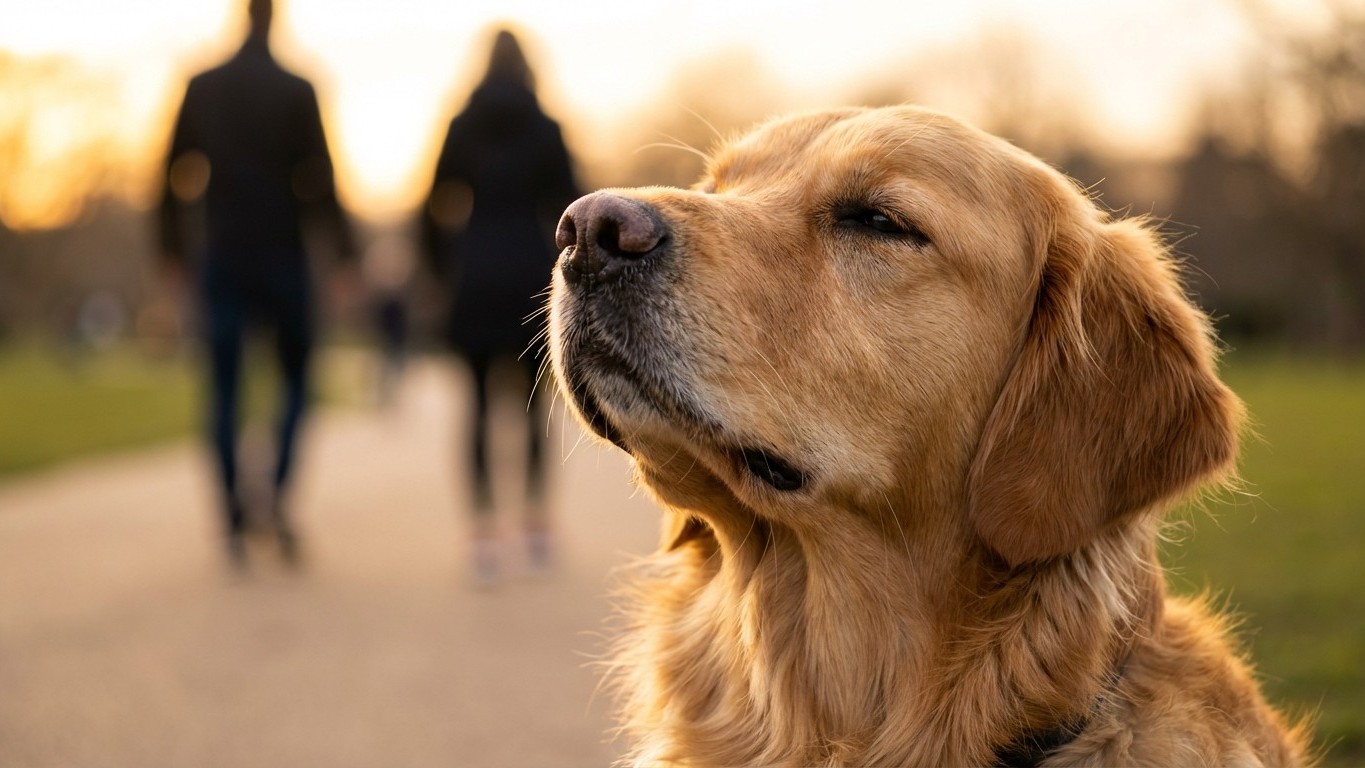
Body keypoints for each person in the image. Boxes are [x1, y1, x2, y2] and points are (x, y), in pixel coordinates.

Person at [158, 0, 355, 566]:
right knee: (296, 380)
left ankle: (232, 516)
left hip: (222, 253)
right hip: (282, 255)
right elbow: (320, 178)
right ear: (276, 20)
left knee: (223, 388)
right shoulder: (297, 89)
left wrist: (172, 249)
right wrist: (341, 257)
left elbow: (169, 170)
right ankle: (275, 489)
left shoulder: (203, 85)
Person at [421, 28, 579, 586]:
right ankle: (535, 525)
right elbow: (570, 204)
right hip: (531, 275)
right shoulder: (546, 127)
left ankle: (484, 535)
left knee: (477, 409)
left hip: (475, 273)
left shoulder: (462, 125)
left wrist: (442, 268)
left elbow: (433, 203)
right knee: (537, 409)